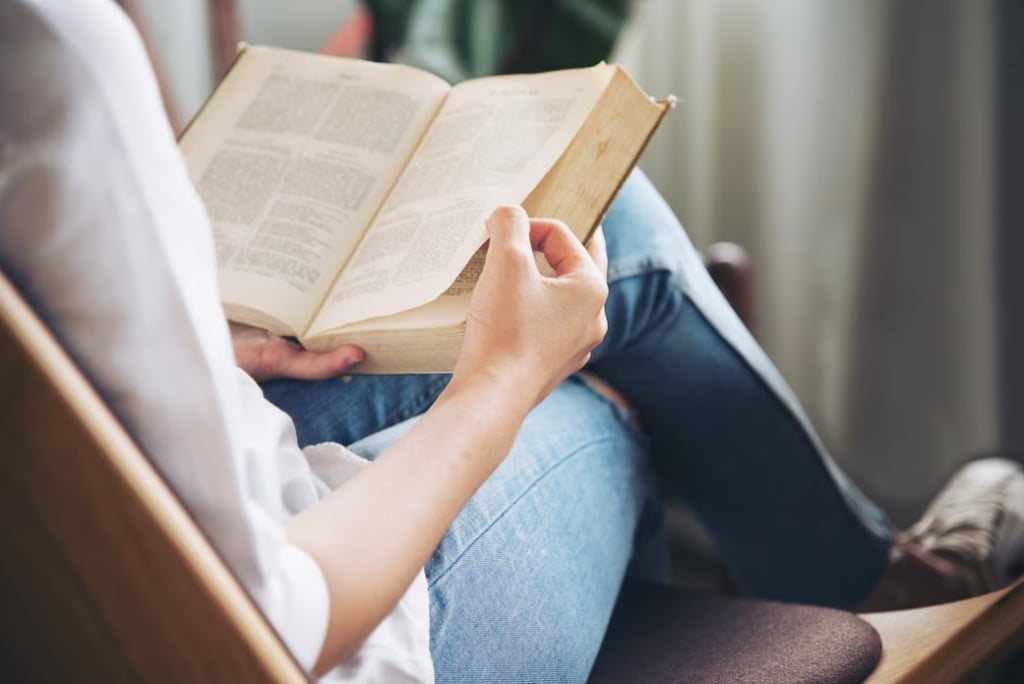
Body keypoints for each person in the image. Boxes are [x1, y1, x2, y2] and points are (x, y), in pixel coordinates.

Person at [1, 1, 1022, 682]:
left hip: (110, 512)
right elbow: (275, 623)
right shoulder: (47, 44)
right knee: (597, 382)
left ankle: (856, 566)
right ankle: (864, 577)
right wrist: (499, 384)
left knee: (595, 242)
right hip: (289, 633)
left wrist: (196, 340)